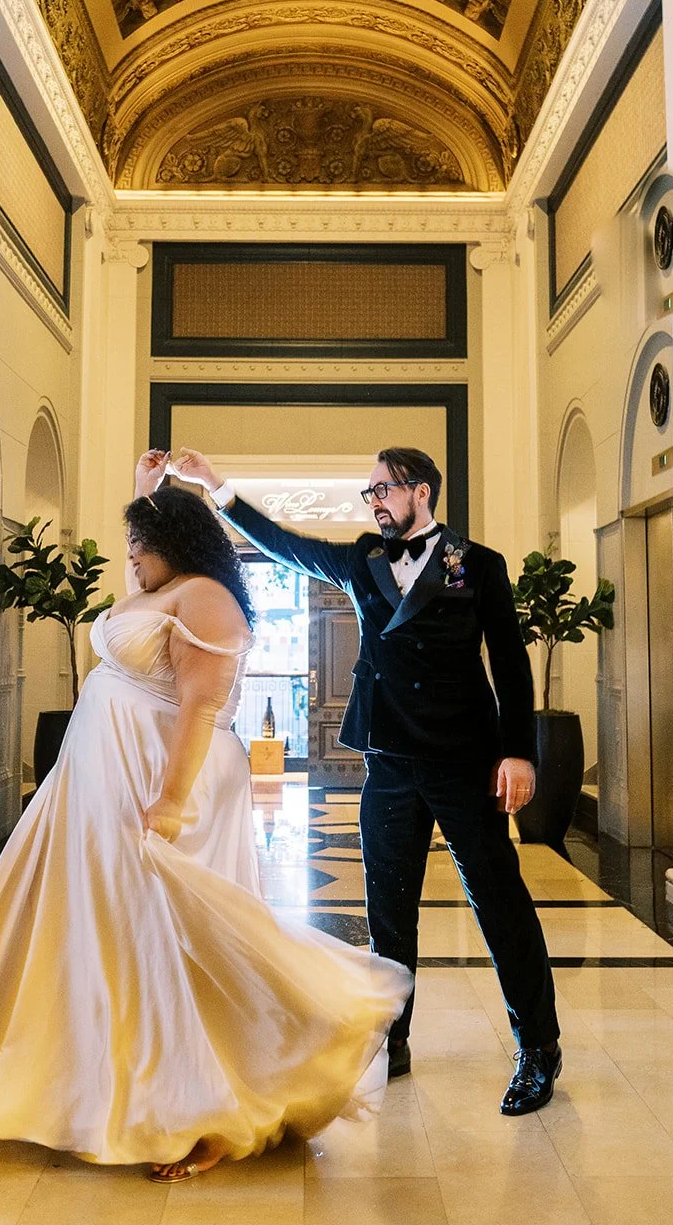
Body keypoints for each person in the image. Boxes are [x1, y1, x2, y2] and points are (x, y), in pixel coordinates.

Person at [0, 470, 411, 1182]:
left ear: (173, 542)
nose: (129, 557)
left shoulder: (208, 598)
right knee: (102, 936)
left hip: (157, 785)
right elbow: (134, 634)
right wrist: (139, 491)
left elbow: (197, 706)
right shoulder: (159, 593)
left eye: (138, 544)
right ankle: (76, 1083)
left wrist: (169, 801)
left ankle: (206, 1111)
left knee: (171, 940)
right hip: (98, 790)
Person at [170, 444, 563, 1115]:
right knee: (389, 916)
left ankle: (538, 1049)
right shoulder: (361, 561)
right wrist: (217, 488)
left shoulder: (478, 565)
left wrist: (518, 753)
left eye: (384, 489)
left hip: (465, 760)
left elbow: (511, 662)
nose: (375, 500)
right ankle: (395, 1042)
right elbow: (283, 542)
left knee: (500, 906)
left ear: (423, 492)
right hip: (388, 762)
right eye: (370, 492)